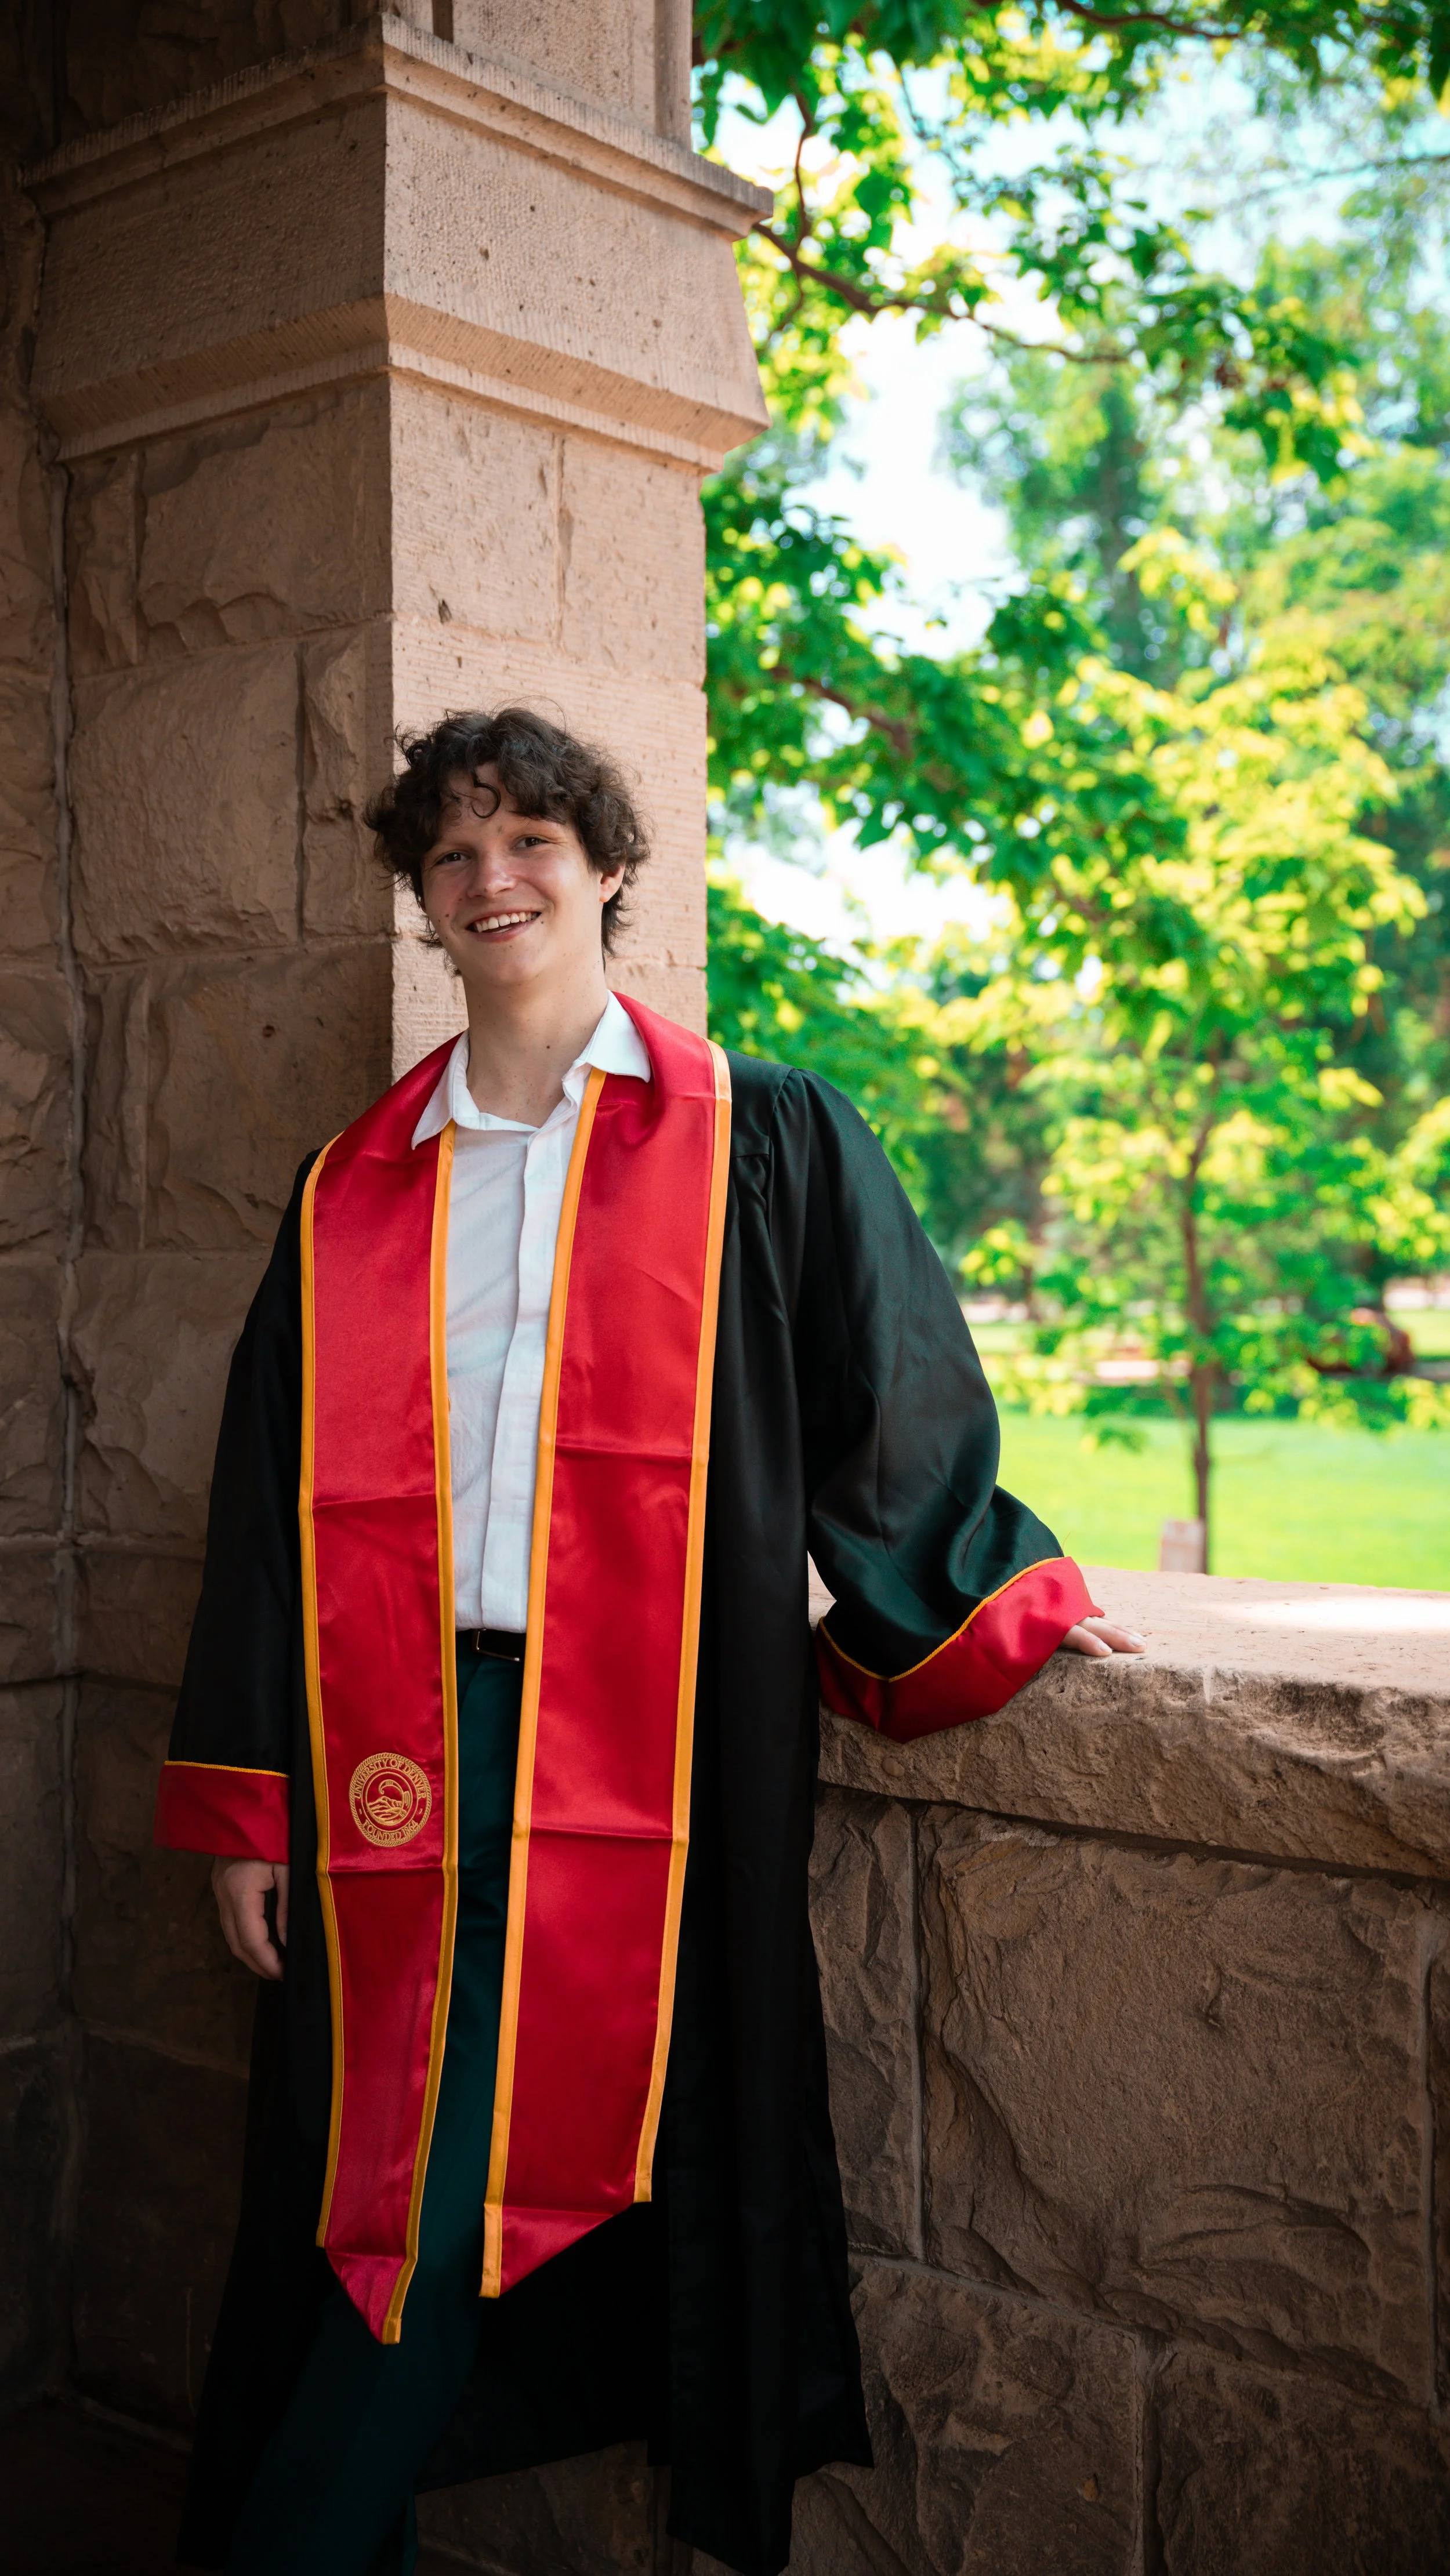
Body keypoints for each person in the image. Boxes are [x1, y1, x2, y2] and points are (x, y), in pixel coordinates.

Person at [154, 706, 1143, 2576]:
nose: (491, 877)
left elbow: (895, 1399)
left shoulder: (757, 1137)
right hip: (396, 1740)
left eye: (531, 839)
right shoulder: (358, 1184)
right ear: (423, 910)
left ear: (610, 869)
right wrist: (249, 1796)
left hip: (653, 1753)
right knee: (365, 2191)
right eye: (451, 855)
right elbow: (260, 1502)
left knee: (498, 2192)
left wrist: (991, 1588)